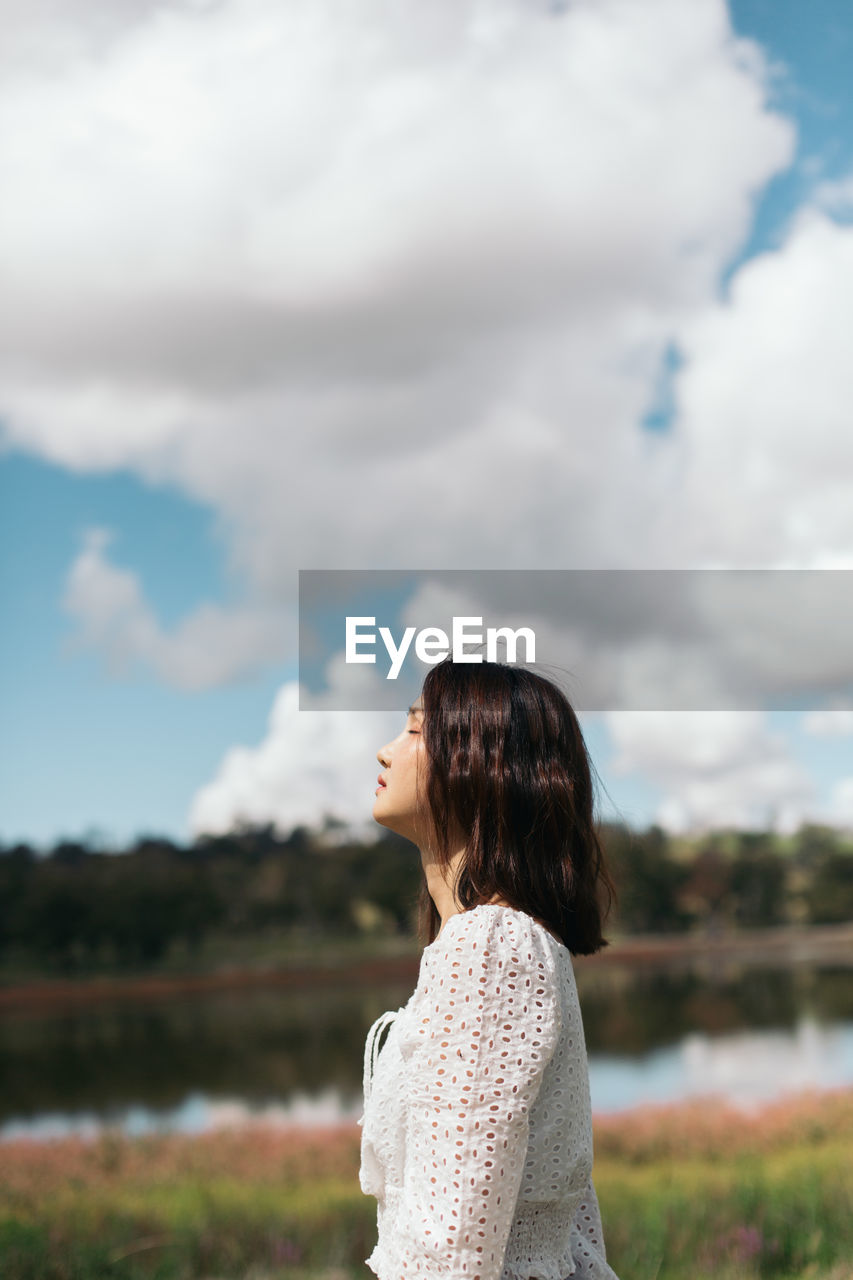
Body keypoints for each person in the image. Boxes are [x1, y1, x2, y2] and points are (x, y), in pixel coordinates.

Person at [358, 658, 620, 1280]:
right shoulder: (502, 944)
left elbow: (451, 1245)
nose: (385, 752)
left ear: (485, 768)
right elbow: (566, 1209)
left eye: (417, 732)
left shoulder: (491, 947)